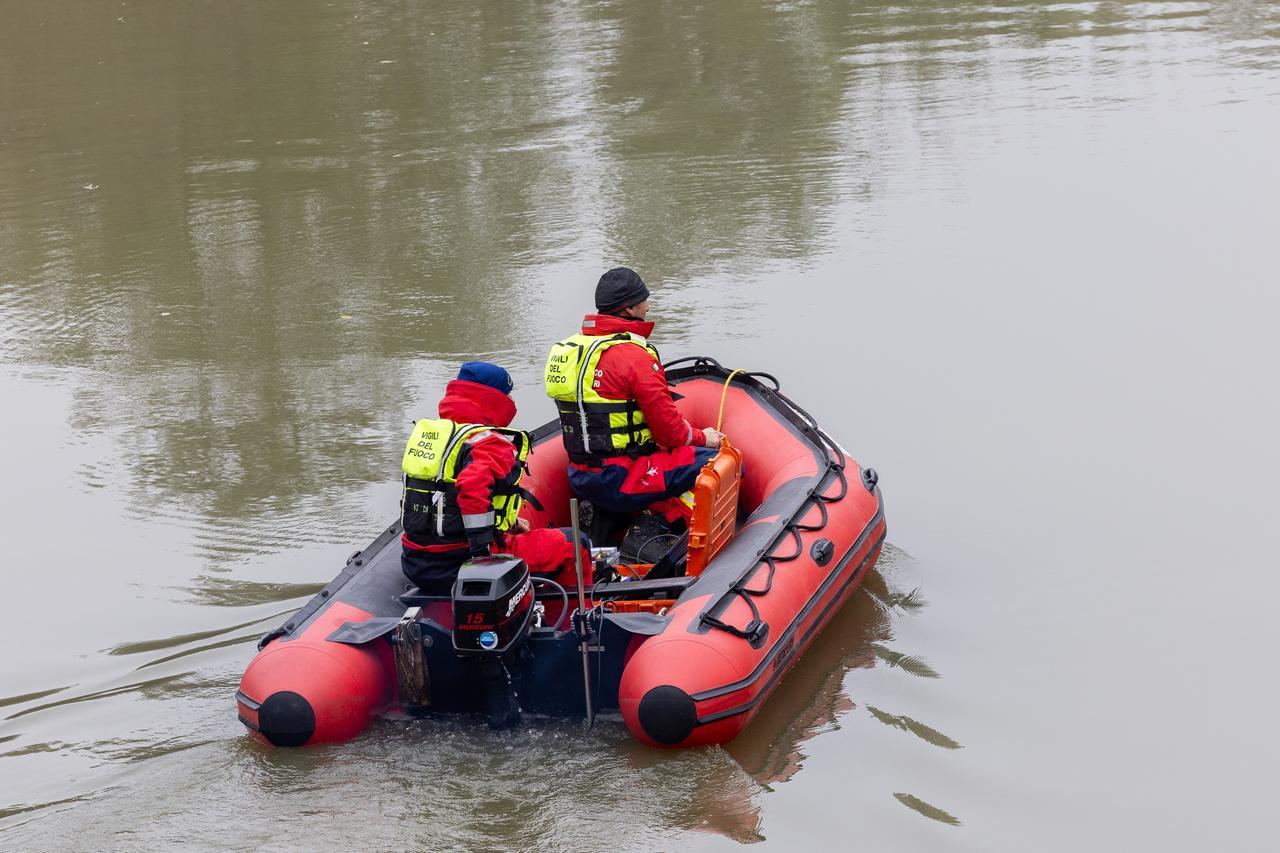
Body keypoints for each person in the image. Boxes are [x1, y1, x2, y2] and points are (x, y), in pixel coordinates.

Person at [543, 267, 724, 529]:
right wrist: (704, 437)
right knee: (722, 463)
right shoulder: (634, 356)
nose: (648, 307)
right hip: (623, 477)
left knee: (660, 459)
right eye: (644, 301)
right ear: (629, 308)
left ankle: (605, 517)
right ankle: (663, 528)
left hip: (580, 475)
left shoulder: (570, 350)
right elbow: (670, 433)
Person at [400, 361, 587, 598]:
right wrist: (482, 554)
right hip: (462, 563)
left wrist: (507, 523)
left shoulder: (431, 436)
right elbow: (471, 485)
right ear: (496, 398)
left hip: (416, 561)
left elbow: (442, 498)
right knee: (574, 543)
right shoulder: (489, 441)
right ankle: (572, 620)